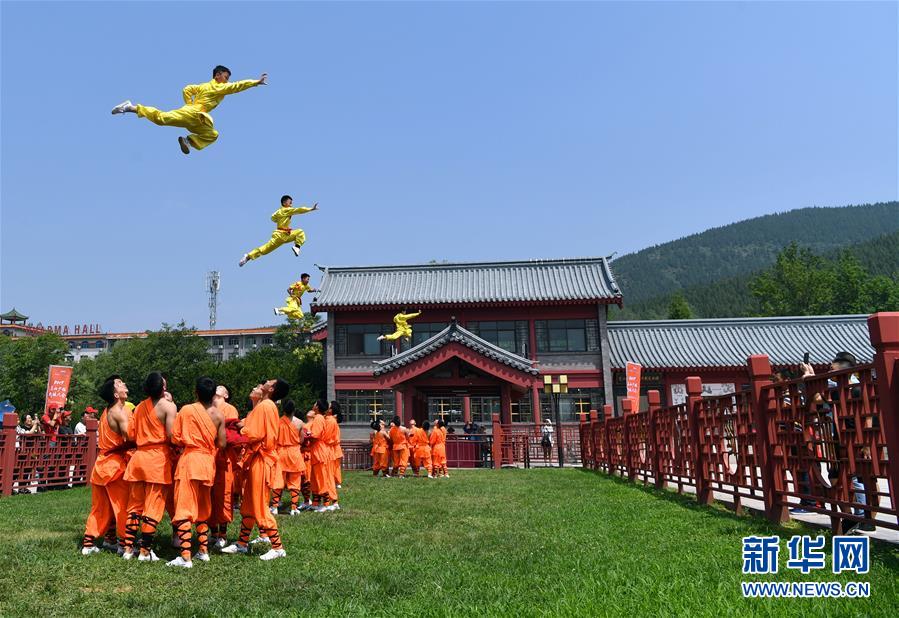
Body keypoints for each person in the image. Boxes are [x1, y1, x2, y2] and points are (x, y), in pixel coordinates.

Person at [111, 65, 267, 154]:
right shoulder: (219, 87)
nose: (227, 81)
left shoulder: (203, 85)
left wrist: (189, 103)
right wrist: (255, 82)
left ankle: (188, 141)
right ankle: (130, 107)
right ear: (218, 75)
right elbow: (237, 86)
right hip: (194, 114)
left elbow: (187, 89)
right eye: (226, 77)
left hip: (195, 117)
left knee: (212, 134)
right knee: (162, 119)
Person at [222, 379, 289, 560]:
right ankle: (242, 543)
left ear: (272, 389)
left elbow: (255, 433)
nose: (265, 382)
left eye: (269, 381)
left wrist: (239, 430)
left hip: (261, 459)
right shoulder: (265, 405)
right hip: (256, 459)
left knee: (259, 504)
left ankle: (277, 547)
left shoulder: (266, 406)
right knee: (249, 504)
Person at [166, 377, 227, 569]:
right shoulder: (218, 415)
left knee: (184, 508)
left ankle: (185, 556)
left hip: (190, 461)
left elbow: (175, 438)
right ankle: (203, 551)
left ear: (196, 393)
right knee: (202, 508)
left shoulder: (187, 410)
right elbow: (223, 443)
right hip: (208, 463)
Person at [122, 372, 177, 561]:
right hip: (157, 459)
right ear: (163, 388)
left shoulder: (138, 408)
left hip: (139, 458)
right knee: (153, 506)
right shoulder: (168, 407)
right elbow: (172, 436)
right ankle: (145, 551)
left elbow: (131, 434)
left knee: (134, 506)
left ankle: (128, 549)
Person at [81, 376, 132, 555]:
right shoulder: (120, 411)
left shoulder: (107, 411)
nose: (124, 384)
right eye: (120, 384)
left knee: (100, 507)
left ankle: (88, 543)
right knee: (122, 506)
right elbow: (131, 438)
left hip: (102, 464)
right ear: (115, 394)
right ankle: (125, 544)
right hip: (114, 466)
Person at [239, 196, 319, 266]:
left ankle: (297, 247)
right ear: (284, 203)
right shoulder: (286, 210)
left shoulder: (279, 211)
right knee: (265, 250)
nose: (291, 203)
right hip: (280, 235)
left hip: (285, 234)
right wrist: (311, 209)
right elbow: (298, 210)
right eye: (290, 202)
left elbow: (272, 218)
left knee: (299, 232)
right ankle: (248, 256)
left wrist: (280, 220)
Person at [210, 385, 240, 549]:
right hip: (208, 455)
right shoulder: (205, 407)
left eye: (222, 388)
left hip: (224, 456)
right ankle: (213, 532)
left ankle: (222, 534)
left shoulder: (230, 409)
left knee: (223, 496)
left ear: (226, 395)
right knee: (209, 496)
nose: (218, 388)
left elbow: (230, 433)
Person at [270, 400, 306, 516]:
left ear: (283, 410)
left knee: (278, 480)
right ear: (294, 410)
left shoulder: (278, 422)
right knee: (295, 481)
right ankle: (294, 508)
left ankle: (275, 507)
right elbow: (301, 440)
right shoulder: (300, 422)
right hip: (295, 452)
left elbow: (273, 438)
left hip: (281, 453)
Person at [331, 403, 344, 489]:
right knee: (335, 466)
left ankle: (337, 481)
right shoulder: (334, 421)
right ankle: (336, 481)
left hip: (334, 447)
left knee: (335, 466)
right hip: (335, 448)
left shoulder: (332, 421)